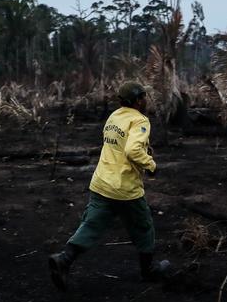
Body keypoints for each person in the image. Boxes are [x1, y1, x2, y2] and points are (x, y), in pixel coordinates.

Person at [48, 82, 165, 291]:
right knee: (144, 226)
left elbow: (117, 146)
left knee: (91, 224)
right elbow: (131, 150)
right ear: (137, 100)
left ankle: (64, 259)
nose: (146, 100)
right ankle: (149, 271)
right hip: (125, 189)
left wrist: (145, 150)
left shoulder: (114, 117)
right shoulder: (139, 120)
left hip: (101, 183)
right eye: (143, 97)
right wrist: (151, 164)